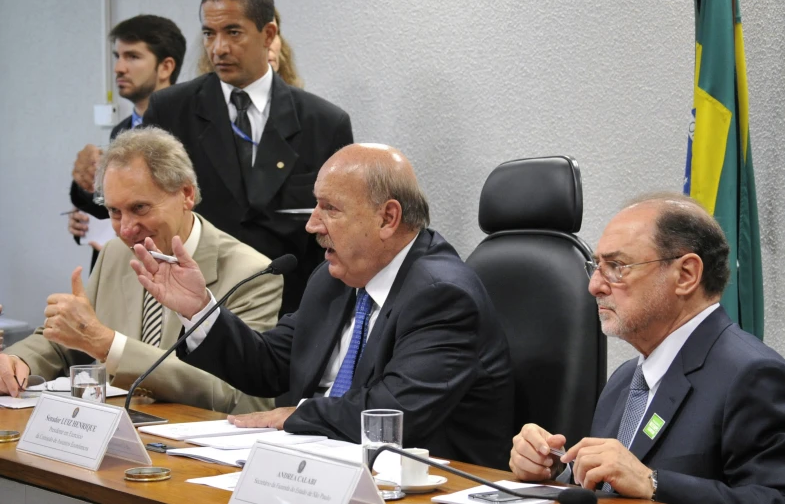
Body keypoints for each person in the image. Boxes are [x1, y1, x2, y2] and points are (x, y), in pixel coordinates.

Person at [131, 143, 514, 469]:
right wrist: (199, 310)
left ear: (388, 218)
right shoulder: (334, 279)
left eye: (330, 208)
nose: (312, 224)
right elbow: (269, 366)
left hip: (425, 483)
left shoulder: (443, 295)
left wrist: (296, 416)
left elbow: (391, 413)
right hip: (323, 467)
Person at [509, 193, 785, 503]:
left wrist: (654, 483)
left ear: (686, 275)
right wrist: (552, 469)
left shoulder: (751, 374)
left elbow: (771, 497)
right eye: (596, 266)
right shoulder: (625, 380)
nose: (594, 286)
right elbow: (612, 485)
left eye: (617, 266)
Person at [0, 128, 282, 414]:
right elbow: (69, 344)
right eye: (114, 212)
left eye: (140, 208)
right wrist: (18, 361)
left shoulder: (251, 273)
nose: (125, 229)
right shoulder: (115, 253)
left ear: (186, 194)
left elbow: (235, 394)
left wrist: (111, 346)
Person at [144, 0, 353, 316]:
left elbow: (341, 233)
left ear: (268, 34)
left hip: (292, 312)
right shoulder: (170, 111)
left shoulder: (324, 123)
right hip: (193, 306)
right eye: (209, 34)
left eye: (233, 32)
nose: (218, 48)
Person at [69, 15, 186, 267]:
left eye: (132, 57)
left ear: (166, 67)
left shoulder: (188, 132)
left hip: (176, 270)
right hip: (125, 271)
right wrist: (87, 193)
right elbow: (115, 205)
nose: (119, 68)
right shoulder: (121, 131)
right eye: (117, 56)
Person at [197, 7, 303, 89]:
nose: (267, 45)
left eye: (270, 34)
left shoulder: (304, 110)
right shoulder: (189, 105)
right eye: (235, 33)